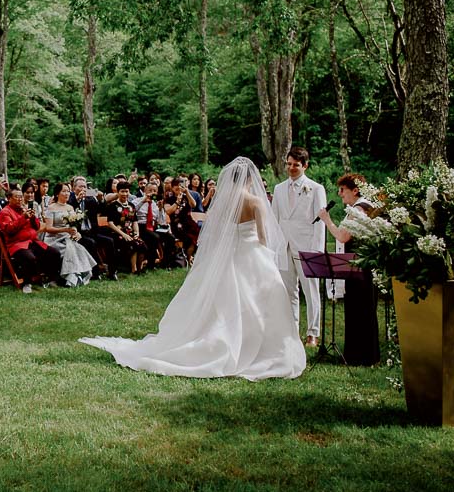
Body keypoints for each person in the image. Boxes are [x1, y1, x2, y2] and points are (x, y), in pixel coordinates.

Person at [81, 157, 307, 381]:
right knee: (259, 301)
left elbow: (217, 232)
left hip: (228, 257)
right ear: (251, 179)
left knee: (224, 302)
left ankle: (223, 340)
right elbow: (263, 237)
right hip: (252, 255)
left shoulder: (225, 200)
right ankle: (256, 348)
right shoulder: (256, 202)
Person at [318, 173, 381, 366]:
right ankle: (361, 354)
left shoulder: (359, 210)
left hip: (358, 267)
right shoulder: (364, 207)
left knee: (359, 311)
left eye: (342, 190)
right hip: (361, 265)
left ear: (355, 190)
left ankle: (360, 356)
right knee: (360, 310)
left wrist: (327, 220)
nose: (340, 194)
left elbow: (343, 236)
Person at [271, 146, 327, 347]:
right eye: (289, 164)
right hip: (284, 247)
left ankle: (313, 332)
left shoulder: (316, 188)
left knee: (311, 291)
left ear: (305, 165)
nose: (292, 168)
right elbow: (274, 219)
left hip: (306, 247)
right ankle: (292, 330)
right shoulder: (278, 189)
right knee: (288, 291)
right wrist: (274, 247)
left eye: (296, 165)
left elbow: (320, 222)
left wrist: (316, 250)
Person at [0, 187, 61, 293]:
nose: (20, 199)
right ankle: (27, 283)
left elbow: (36, 227)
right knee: (29, 258)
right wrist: (23, 217)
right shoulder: (5, 212)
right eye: (17, 197)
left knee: (54, 253)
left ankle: (51, 279)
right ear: (9, 198)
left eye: (21, 197)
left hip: (32, 241)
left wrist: (32, 217)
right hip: (17, 244)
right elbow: (9, 230)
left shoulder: (24, 208)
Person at [41, 183, 95, 287]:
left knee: (78, 248)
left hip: (67, 237)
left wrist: (76, 233)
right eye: (64, 191)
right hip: (53, 239)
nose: (67, 194)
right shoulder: (51, 208)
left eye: (68, 191)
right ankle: (65, 277)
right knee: (68, 250)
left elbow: (73, 225)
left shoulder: (70, 207)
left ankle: (74, 276)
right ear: (57, 194)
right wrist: (65, 229)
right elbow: (48, 228)